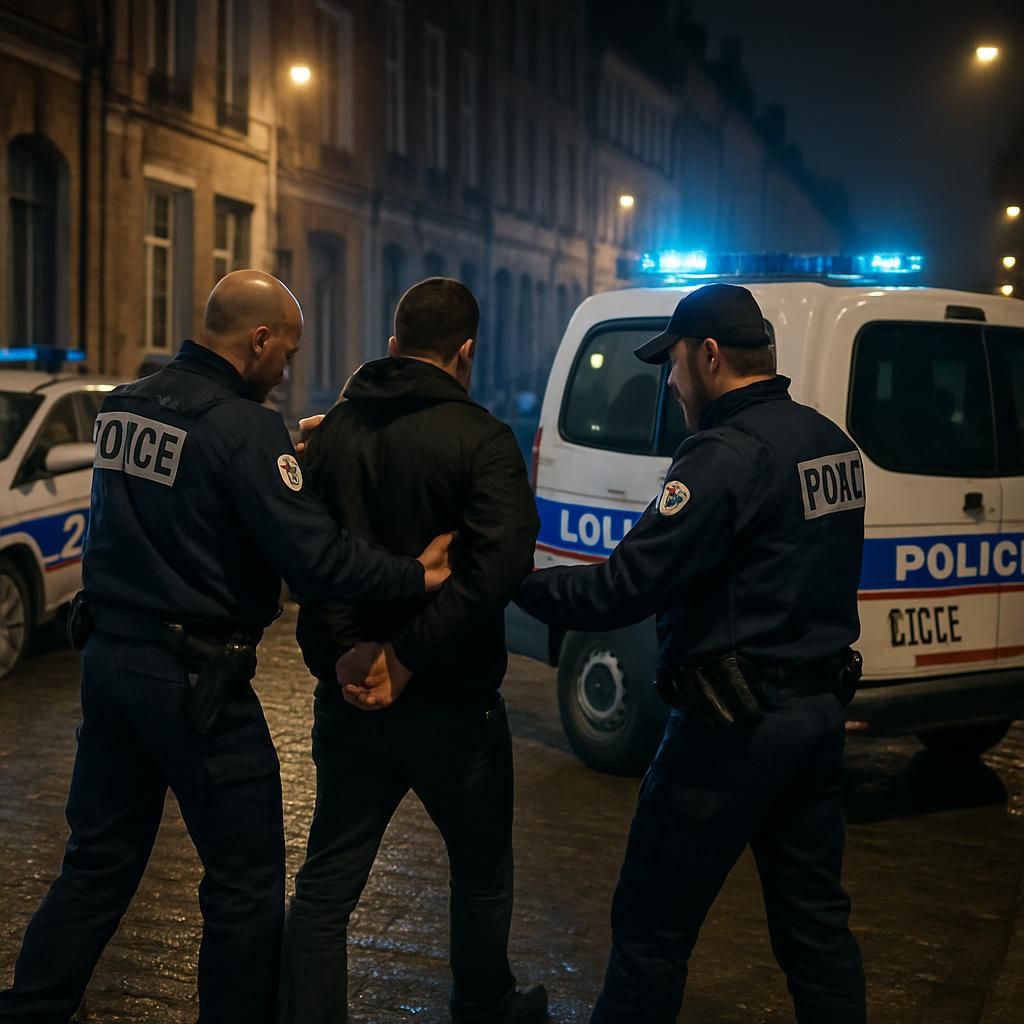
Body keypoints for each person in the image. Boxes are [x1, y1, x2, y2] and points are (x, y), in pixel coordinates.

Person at [0, 271, 451, 1024]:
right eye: (287, 352)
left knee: (97, 865)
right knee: (243, 884)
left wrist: (279, 475)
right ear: (259, 340)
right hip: (197, 683)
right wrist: (416, 573)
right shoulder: (243, 428)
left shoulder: (123, 405)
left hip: (110, 665)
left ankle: (29, 1011)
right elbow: (316, 561)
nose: (286, 370)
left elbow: (189, 504)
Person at [516, 283, 867, 1024]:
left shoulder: (722, 456)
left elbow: (624, 588)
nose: (671, 385)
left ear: (708, 357)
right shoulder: (830, 444)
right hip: (814, 719)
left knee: (651, 927)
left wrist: (516, 585)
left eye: (672, 364)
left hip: (730, 730)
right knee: (815, 931)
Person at [278, 277, 547, 1024]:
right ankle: (483, 1002)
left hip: (350, 697)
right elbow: (497, 568)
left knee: (327, 885)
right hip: (453, 706)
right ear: (465, 353)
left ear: (393, 348)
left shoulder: (330, 433)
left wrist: (346, 653)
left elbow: (305, 557)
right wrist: (410, 659)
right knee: (482, 871)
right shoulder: (483, 441)